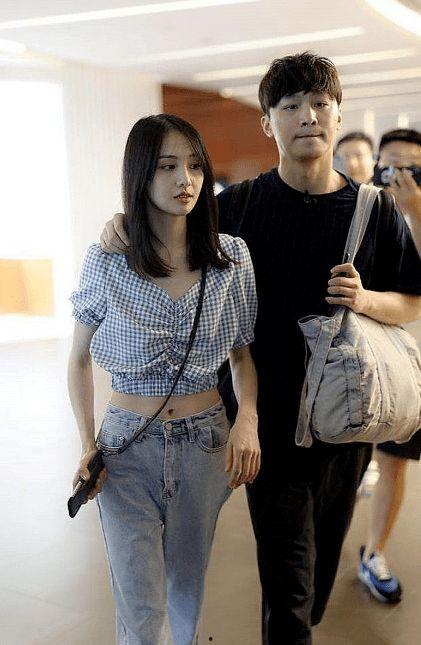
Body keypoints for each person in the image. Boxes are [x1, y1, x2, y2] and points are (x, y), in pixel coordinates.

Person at [100, 53, 421, 644]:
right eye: (291, 106)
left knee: (314, 584)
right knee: (287, 591)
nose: (308, 117)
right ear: (268, 122)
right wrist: (119, 225)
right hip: (265, 425)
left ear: (338, 113)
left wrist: (366, 299)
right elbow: (169, 228)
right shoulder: (238, 207)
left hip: (346, 424)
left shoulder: (374, 210)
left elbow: (412, 301)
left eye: (320, 104)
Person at [68, 114, 260, 645]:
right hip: (126, 447)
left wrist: (247, 419)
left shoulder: (231, 258)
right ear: (140, 174)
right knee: (139, 602)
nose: (185, 180)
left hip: (205, 443)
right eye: (168, 166)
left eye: (195, 166)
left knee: (188, 590)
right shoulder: (108, 260)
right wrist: (86, 443)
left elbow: (243, 356)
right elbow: (78, 359)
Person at [359, 128, 421, 604]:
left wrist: (415, 210)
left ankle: (374, 551)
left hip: (412, 368)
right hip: (367, 362)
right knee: (354, 459)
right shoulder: (363, 211)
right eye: (390, 166)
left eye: (412, 168)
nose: (399, 176)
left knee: (396, 461)